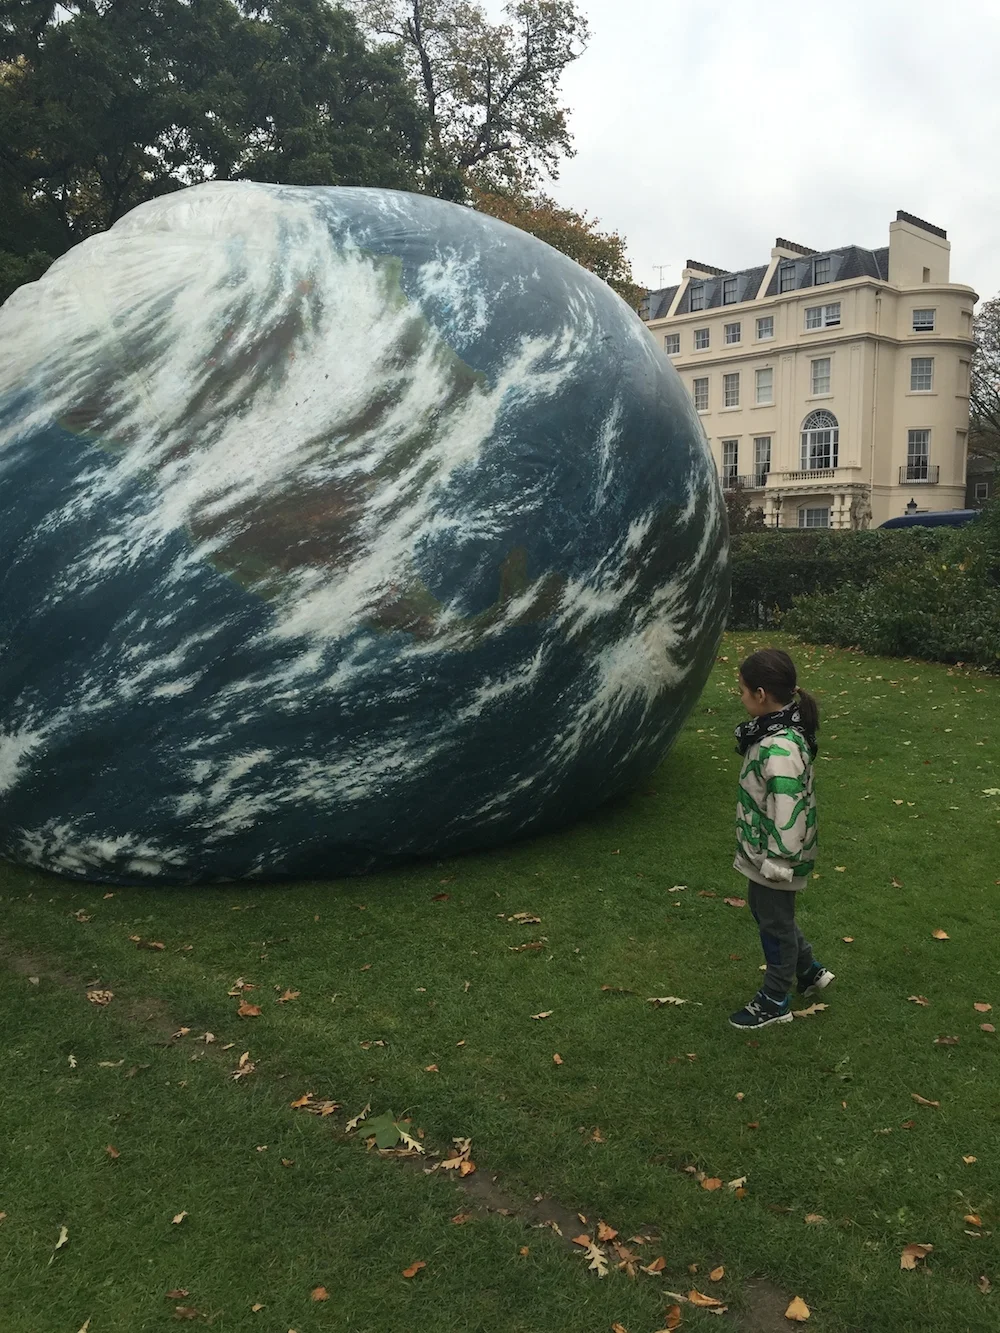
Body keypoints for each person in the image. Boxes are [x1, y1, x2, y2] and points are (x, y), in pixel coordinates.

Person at [728, 648, 833, 1030]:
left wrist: (780, 860)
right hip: (764, 851)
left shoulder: (780, 746)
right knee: (768, 912)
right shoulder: (773, 731)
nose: (739, 697)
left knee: (774, 922)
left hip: (776, 858)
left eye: (741, 690)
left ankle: (775, 999)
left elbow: (788, 809)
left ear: (760, 694)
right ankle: (809, 971)